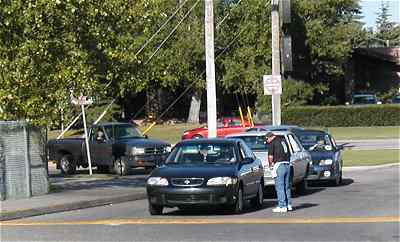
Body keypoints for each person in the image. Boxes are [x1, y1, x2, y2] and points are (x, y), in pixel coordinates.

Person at [266, 131, 292, 213]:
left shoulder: (272, 143)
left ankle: (282, 206)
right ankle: (288, 205)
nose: (267, 141)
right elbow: (289, 153)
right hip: (287, 164)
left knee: (279, 187)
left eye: (267, 139)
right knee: (286, 186)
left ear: (269, 137)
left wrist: (270, 165)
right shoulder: (283, 141)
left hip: (279, 165)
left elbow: (270, 156)